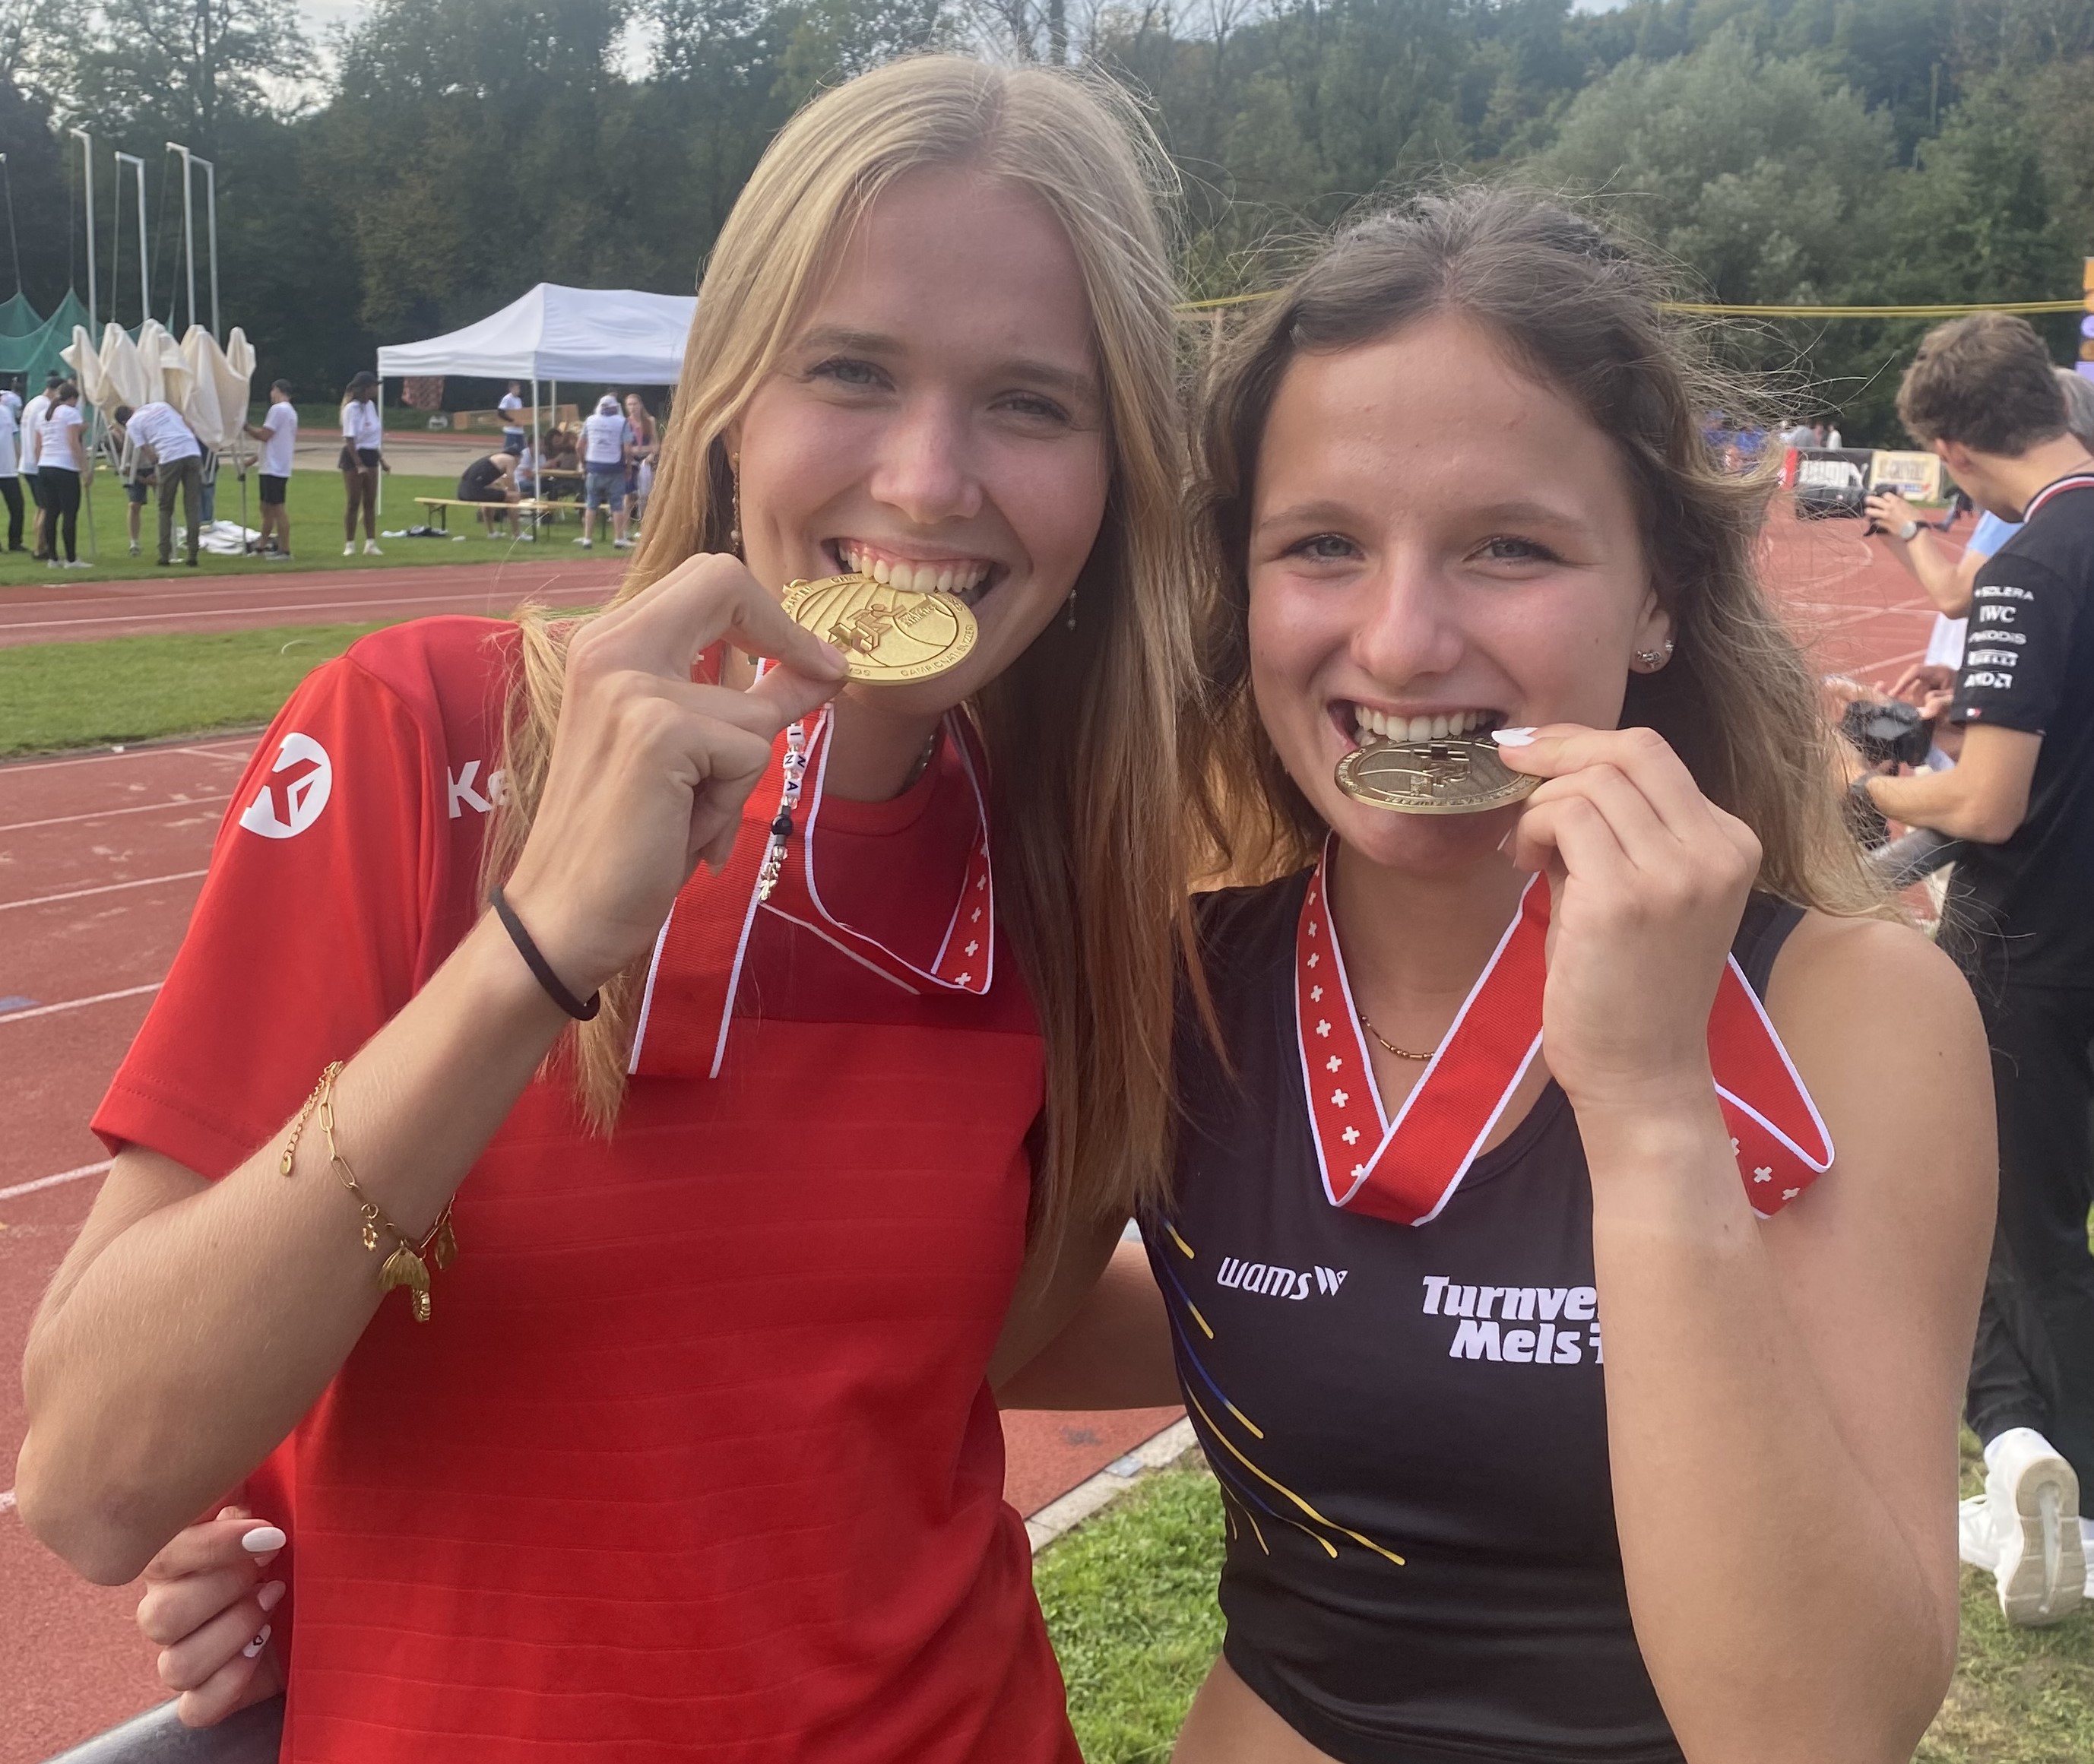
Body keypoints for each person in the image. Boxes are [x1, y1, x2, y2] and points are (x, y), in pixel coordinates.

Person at [21, 54, 1199, 1759]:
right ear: (726, 400)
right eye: (850, 370)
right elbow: (94, 1475)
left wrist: (1461, 1325)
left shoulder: (1070, 864)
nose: (932, 479)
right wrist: (535, 948)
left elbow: (956, 1322)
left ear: (1115, 475)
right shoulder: (424, 735)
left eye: (1033, 401)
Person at [1000, 190, 1992, 1761]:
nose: (1398, 642)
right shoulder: (1179, 973)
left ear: (1658, 592)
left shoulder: (1849, 1013)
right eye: (1321, 543)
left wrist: (1655, 1101)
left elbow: (1815, 1729)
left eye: (1507, 546)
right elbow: (1038, 1327)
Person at [1860, 313, 2094, 1626]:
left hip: (2029, 942)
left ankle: (2053, 1482)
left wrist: (1873, 778)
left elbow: (1991, 804)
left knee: (2016, 1219)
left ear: (1951, 448)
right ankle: (2021, 1456)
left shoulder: (2031, 570)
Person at [114, 401, 205, 569]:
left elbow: (146, 451)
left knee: (165, 506)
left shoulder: (133, 424)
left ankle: (164, 554)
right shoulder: (161, 405)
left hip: (169, 456)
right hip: (191, 450)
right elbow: (188, 425)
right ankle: (193, 553)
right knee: (192, 505)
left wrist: (156, 462)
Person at [36, 379, 90, 569]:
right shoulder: (70, 413)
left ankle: (53, 557)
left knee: (51, 511)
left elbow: (38, 444)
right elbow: (73, 442)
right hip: (64, 466)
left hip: (45, 464)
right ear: (73, 398)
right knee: (69, 513)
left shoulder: (44, 414)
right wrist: (84, 468)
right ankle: (71, 558)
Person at [242, 380, 298, 559]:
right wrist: (253, 460)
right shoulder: (290, 412)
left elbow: (264, 435)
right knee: (266, 507)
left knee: (277, 508)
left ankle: (284, 549)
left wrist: (246, 427)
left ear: (277, 390)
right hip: (274, 465)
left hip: (274, 468)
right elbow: (275, 442)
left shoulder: (278, 410)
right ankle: (262, 546)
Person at [575, 392, 632, 549]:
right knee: (617, 505)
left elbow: (579, 446)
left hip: (593, 466)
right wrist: (628, 466)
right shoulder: (622, 422)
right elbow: (628, 449)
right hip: (615, 467)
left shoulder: (590, 421)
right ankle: (619, 538)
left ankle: (587, 538)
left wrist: (583, 463)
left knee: (591, 504)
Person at [340, 369, 385, 556]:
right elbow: (350, 439)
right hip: (354, 455)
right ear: (367, 388)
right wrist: (359, 464)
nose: (376, 390)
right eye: (374, 386)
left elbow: (373, 438)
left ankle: (371, 543)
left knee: (370, 501)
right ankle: (349, 544)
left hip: (370, 454)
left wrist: (382, 460)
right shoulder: (351, 408)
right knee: (353, 501)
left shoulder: (371, 406)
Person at [21, 369, 55, 559]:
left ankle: (39, 545)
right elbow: (39, 436)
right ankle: (40, 548)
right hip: (37, 463)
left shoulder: (33, 403)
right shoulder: (44, 406)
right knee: (47, 507)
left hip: (27, 462)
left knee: (41, 507)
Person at [455, 449, 518, 534]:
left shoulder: (492, 460)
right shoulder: (510, 459)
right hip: (473, 491)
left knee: (490, 497)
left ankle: (491, 532)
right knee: (513, 498)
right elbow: (510, 480)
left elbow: (493, 484)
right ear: (517, 457)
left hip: (462, 491)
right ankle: (517, 534)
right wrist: (514, 493)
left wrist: (502, 490)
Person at [622, 390, 658, 530]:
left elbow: (656, 444)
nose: (632, 407)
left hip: (647, 462)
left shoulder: (650, 421)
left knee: (646, 497)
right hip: (631, 463)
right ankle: (624, 530)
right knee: (629, 497)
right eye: (629, 404)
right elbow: (626, 448)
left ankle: (644, 527)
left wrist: (650, 454)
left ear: (640, 405)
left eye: (635, 404)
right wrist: (639, 449)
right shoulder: (625, 423)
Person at [0, 382, 21, 552]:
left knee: (17, 506)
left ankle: (15, 542)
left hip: (8, 469)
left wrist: (18, 458)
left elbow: (13, 437)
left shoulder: (5, 412)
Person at [498, 381, 526, 458]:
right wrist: (513, 421)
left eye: (519, 389)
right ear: (511, 389)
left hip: (519, 430)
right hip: (511, 430)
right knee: (508, 451)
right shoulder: (507, 398)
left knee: (523, 450)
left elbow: (519, 413)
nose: (518, 391)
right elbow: (501, 413)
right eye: (516, 389)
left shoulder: (518, 400)